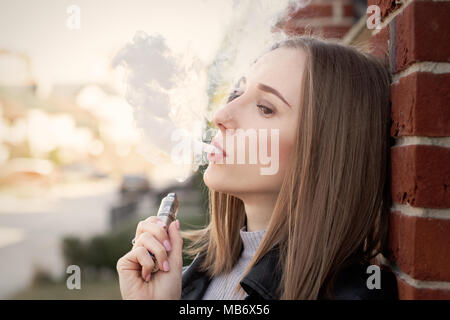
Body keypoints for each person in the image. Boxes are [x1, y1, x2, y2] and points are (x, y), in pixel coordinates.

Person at [116, 36, 398, 300]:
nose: (221, 116)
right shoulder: (190, 280)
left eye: (265, 108)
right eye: (236, 93)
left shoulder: (356, 295)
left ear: (326, 149)